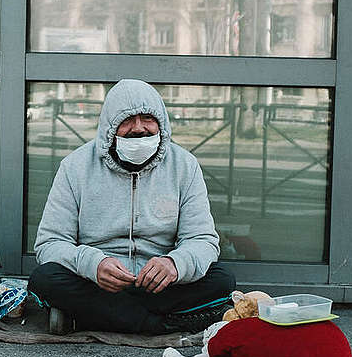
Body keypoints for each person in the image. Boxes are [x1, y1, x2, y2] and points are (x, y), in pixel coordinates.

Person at [29, 79, 235, 334]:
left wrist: (175, 264)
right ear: (109, 126)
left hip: (161, 286)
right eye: (127, 120)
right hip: (97, 283)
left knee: (222, 279)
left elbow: (202, 240)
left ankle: (91, 318)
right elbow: (49, 244)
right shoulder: (75, 167)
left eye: (148, 118)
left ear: (162, 123)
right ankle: (162, 325)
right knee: (44, 279)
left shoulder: (184, 165)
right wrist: (93, 264)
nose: (139, 128)